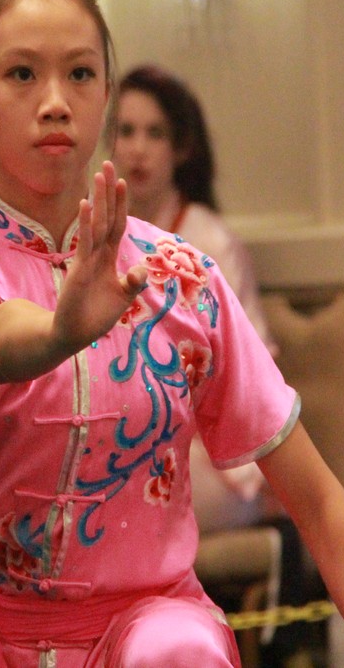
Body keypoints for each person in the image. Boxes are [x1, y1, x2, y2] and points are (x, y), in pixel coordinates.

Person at [0, 0, 344, 666]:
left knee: (176, 650)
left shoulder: (181, 278)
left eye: (81, 74)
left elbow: (320, 506)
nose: (56, 102)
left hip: (148, 634)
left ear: (106, 94)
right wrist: (58, 333)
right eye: (21, 74)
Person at [113, 64, 274, 534]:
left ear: (181, 149)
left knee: (120, 506)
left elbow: (255, 370)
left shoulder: (209, 241)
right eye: (126, 131)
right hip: (129, 441)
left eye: (155, 133)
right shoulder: (102, 235)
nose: (137, 149)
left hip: (215, 457)